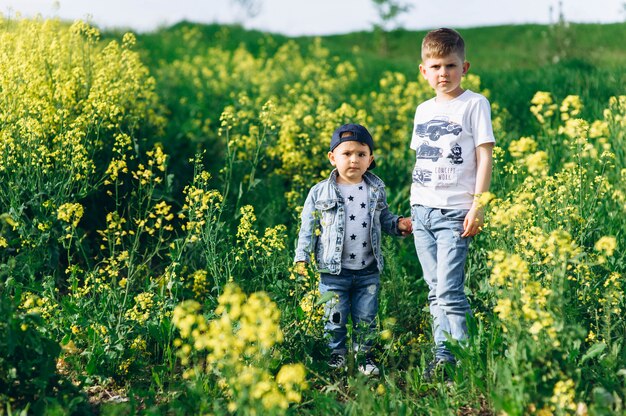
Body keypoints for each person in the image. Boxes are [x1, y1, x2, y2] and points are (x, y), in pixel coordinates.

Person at [409, 28, 495, 381]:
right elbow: (421, 161)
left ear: (465, 67)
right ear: (423, 70)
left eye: (450, 65)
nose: (443, 73)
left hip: (456, 211)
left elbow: (485, 156)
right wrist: (413, 208)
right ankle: (444, 352)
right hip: (422, 210)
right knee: (435, 289)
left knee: (449, 289)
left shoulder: (474, 104)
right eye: (435, 66)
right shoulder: (422, 109)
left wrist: (478, 206)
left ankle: (460, 356)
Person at [294, 123, 412, 376]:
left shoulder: (375, 189)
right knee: (334, 317)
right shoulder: (319, 192)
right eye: (346, 154)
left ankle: (363, 357)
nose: (354, 160)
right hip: (333, 271)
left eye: (361, 154)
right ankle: (335, 354)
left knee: (366, 318)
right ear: (332, 158)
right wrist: (301, 257)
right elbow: (308, 227)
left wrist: (399, 224)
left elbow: (384, 218)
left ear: (370, 159)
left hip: (368, 269)